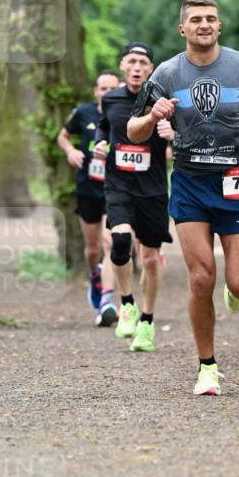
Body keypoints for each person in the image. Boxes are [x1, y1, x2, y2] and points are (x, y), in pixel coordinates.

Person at [127, 0, 239, 396]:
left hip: (237, 177)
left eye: (211, 19)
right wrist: (153, 115)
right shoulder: (165, 73)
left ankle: (236, 288)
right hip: (192, 182)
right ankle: (207, 367)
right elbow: (133, 130)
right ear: (183, 29)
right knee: (200, 277)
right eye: (195, 19)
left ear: (219, 26)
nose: (204, 24)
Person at [93, 42, 173, 352]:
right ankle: (126, 304)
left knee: (150, 258)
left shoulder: (162, 102)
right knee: (120, 241)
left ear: (151, 69)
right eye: (132, 61)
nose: (137, 67)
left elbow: (183, 136)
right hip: (119, 184)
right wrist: (99, 145)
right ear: (123, 66)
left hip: (152, 189)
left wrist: (173, 137)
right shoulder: (111, 99)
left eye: (143, 62)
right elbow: (103, 128)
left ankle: (148, 321)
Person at [57, 70, 120, 324]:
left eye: (112, 89)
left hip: (115, 188)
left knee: (110, 242)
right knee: (93, 249)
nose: (107, 93)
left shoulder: (126, 113)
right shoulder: (83, 112)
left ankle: (106, 300)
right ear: (96, 91)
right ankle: (95, 273)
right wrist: (71, 151)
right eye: (103, 89)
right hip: (87, 188)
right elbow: (62, 136)